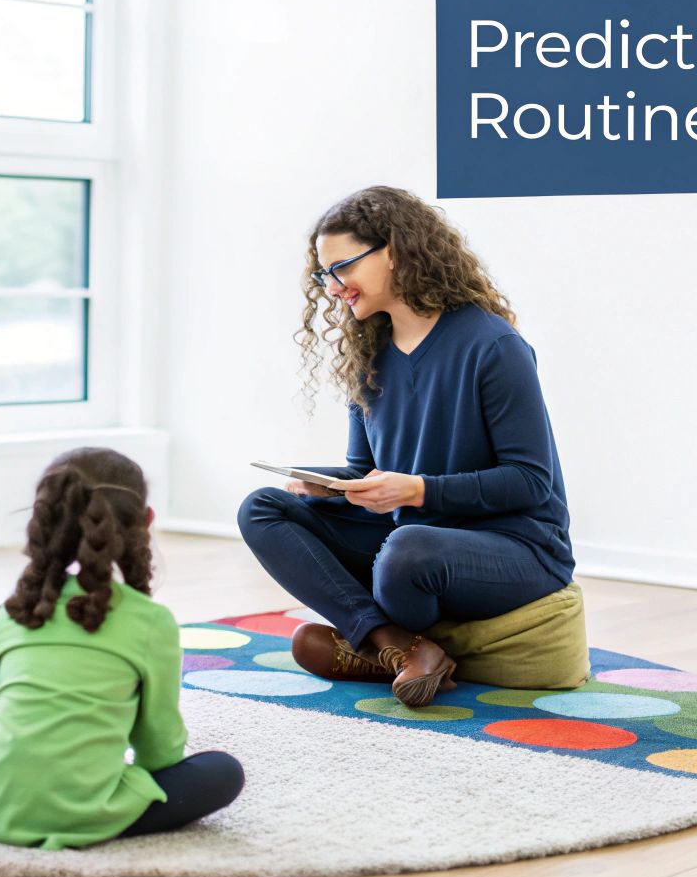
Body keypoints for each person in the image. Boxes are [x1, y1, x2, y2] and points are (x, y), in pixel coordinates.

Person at [237, 185, 575, 708]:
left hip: (515, 548)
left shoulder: (494, 346)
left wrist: (416, 491)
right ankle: (395, 646)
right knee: (263, 508)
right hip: (410, 535)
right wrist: (327, 488)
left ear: (392, 251)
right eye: (325, 274)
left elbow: (530, 481)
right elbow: (366, 471)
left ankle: (369, 648)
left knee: (405, 553)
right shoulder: (369, 354)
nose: (333, 287)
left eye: (342, 267)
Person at [0, 448, 244, 849]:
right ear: (146, 521)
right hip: (84, 809)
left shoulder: (16, 611)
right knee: (222, 772)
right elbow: (159, 748)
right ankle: (85, 820)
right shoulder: (150, 621)